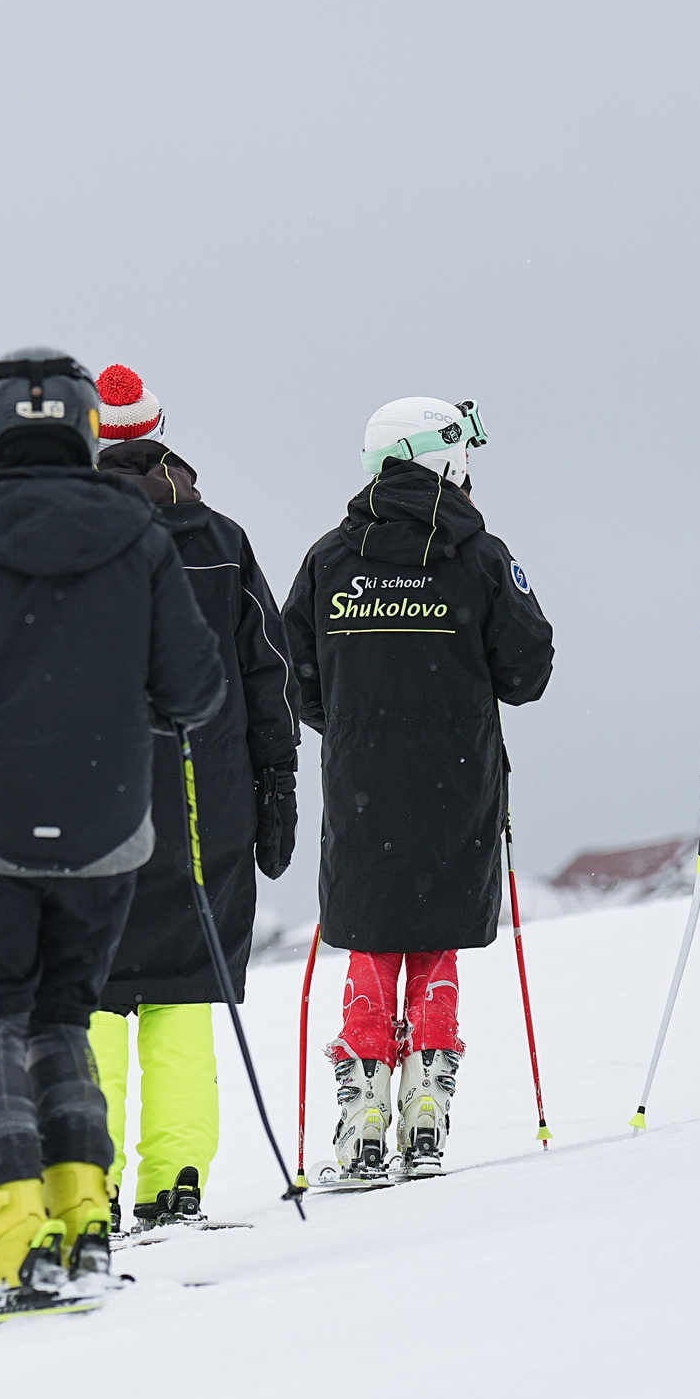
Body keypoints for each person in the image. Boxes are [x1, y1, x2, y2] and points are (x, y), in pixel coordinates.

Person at [0, 347, 226, 1309]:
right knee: (63, 1019)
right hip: (107, 824)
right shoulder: (141, 538)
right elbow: (196, 690)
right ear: (83, 430)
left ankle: (6, 1227)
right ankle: (80, 1222)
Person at [281, 398, 553, 1180]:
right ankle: (428, 1108)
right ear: (443, 460)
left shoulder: (332, 559)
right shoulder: (479, 555)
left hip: (362, 785)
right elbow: (530, 669)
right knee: (435, 934)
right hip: (457, 784)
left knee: (372, 936)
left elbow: (296, 673)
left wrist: (353, 721)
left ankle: (362, 1113)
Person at [83, 364, 299, 1228]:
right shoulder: (221, 539)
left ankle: (82, 1185)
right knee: (182, 994)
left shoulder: (66, 548)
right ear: (162, 429)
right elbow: (270, 676)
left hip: (93, 814)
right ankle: (175, 1179)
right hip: (207, 808)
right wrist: (277, 785)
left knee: (88, 998)